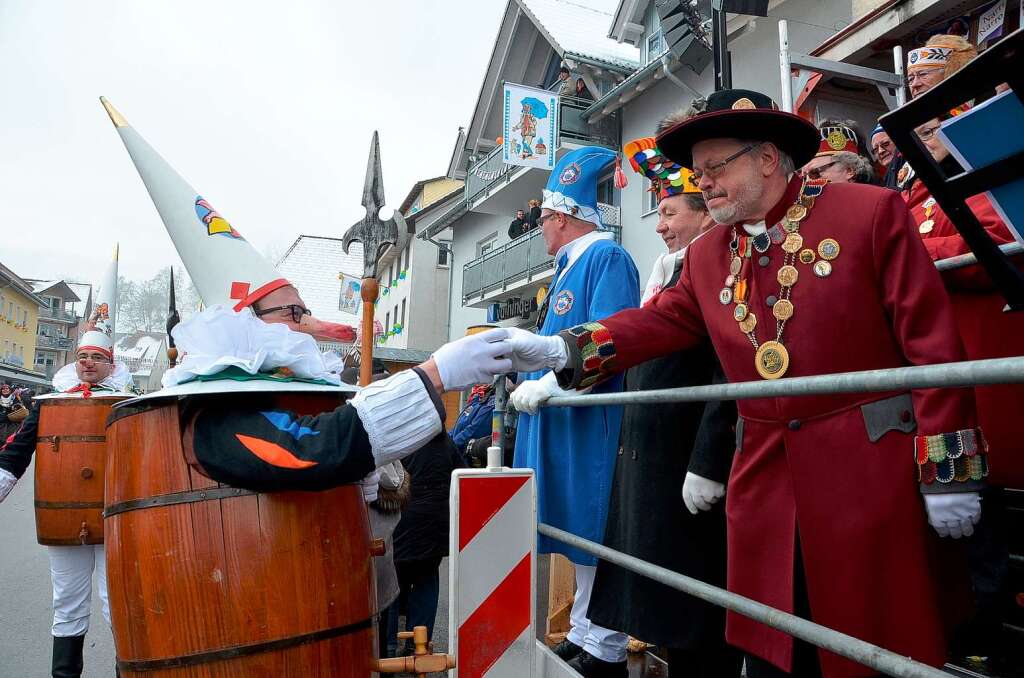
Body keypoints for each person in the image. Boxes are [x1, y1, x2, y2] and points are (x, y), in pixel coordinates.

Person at [496, 89, 986, 678]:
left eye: (715, 167)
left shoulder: (869, 213)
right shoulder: (707, 257)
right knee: (774, 649)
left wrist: (946, 468)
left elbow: (932, 346)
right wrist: (562, 348)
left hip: (866, 476)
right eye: (697, 172)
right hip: (763, 485)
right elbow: (658, 322)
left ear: (767, 158)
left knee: (869, 644)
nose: (702, 183)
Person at [583, 133, 742, 677]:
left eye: (670, 211)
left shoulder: (723, 268)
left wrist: (707, 461)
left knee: (698, 622)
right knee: (670, 621)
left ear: (704, 216)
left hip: (687, 468)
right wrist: (567, 357)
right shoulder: (671, 271)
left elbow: (729, 370)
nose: (660, 225)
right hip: (654, 468)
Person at [510, 146, 640, 678]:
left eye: (543, 218)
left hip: (588, 418)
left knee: (593, 525)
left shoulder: (606, 259)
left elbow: (610, 335)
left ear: (562, 217)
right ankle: (586, 629)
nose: (541, 228)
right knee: (574, 528)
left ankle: (603, 641)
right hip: (564, 416)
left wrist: (548, 379)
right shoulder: (571, 265)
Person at [903, 117, 1023, 673]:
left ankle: (989, 630)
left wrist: (920, 249)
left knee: (983, 515)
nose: (928, 142)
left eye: (935, 129)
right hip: (936, 375)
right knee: (961, 522)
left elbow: (1006, 242)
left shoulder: (986, 176)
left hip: (980, 375)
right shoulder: (917, 194)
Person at [0, 252, 133, 678]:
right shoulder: (53, 403)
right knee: (67, 601)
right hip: (65, 514)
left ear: (112, 362)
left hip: (115, 515)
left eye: (97, 356)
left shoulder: (129, 404)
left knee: (119, 602)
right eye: (83, 356)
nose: (88, 363)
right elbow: (18, 450)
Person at [385, 425, 464, 655]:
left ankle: (387, 648)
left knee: (390, 584)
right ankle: (418, 648)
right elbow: (462, 474)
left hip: (401, 525)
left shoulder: (397, 438)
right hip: (435, 526)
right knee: (426, 579)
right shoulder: (444, 441)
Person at [801, 122, 874, 184]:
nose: (807, 182)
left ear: (850, 170)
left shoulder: (875, 199)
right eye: (803, 178)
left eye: (815, 173)